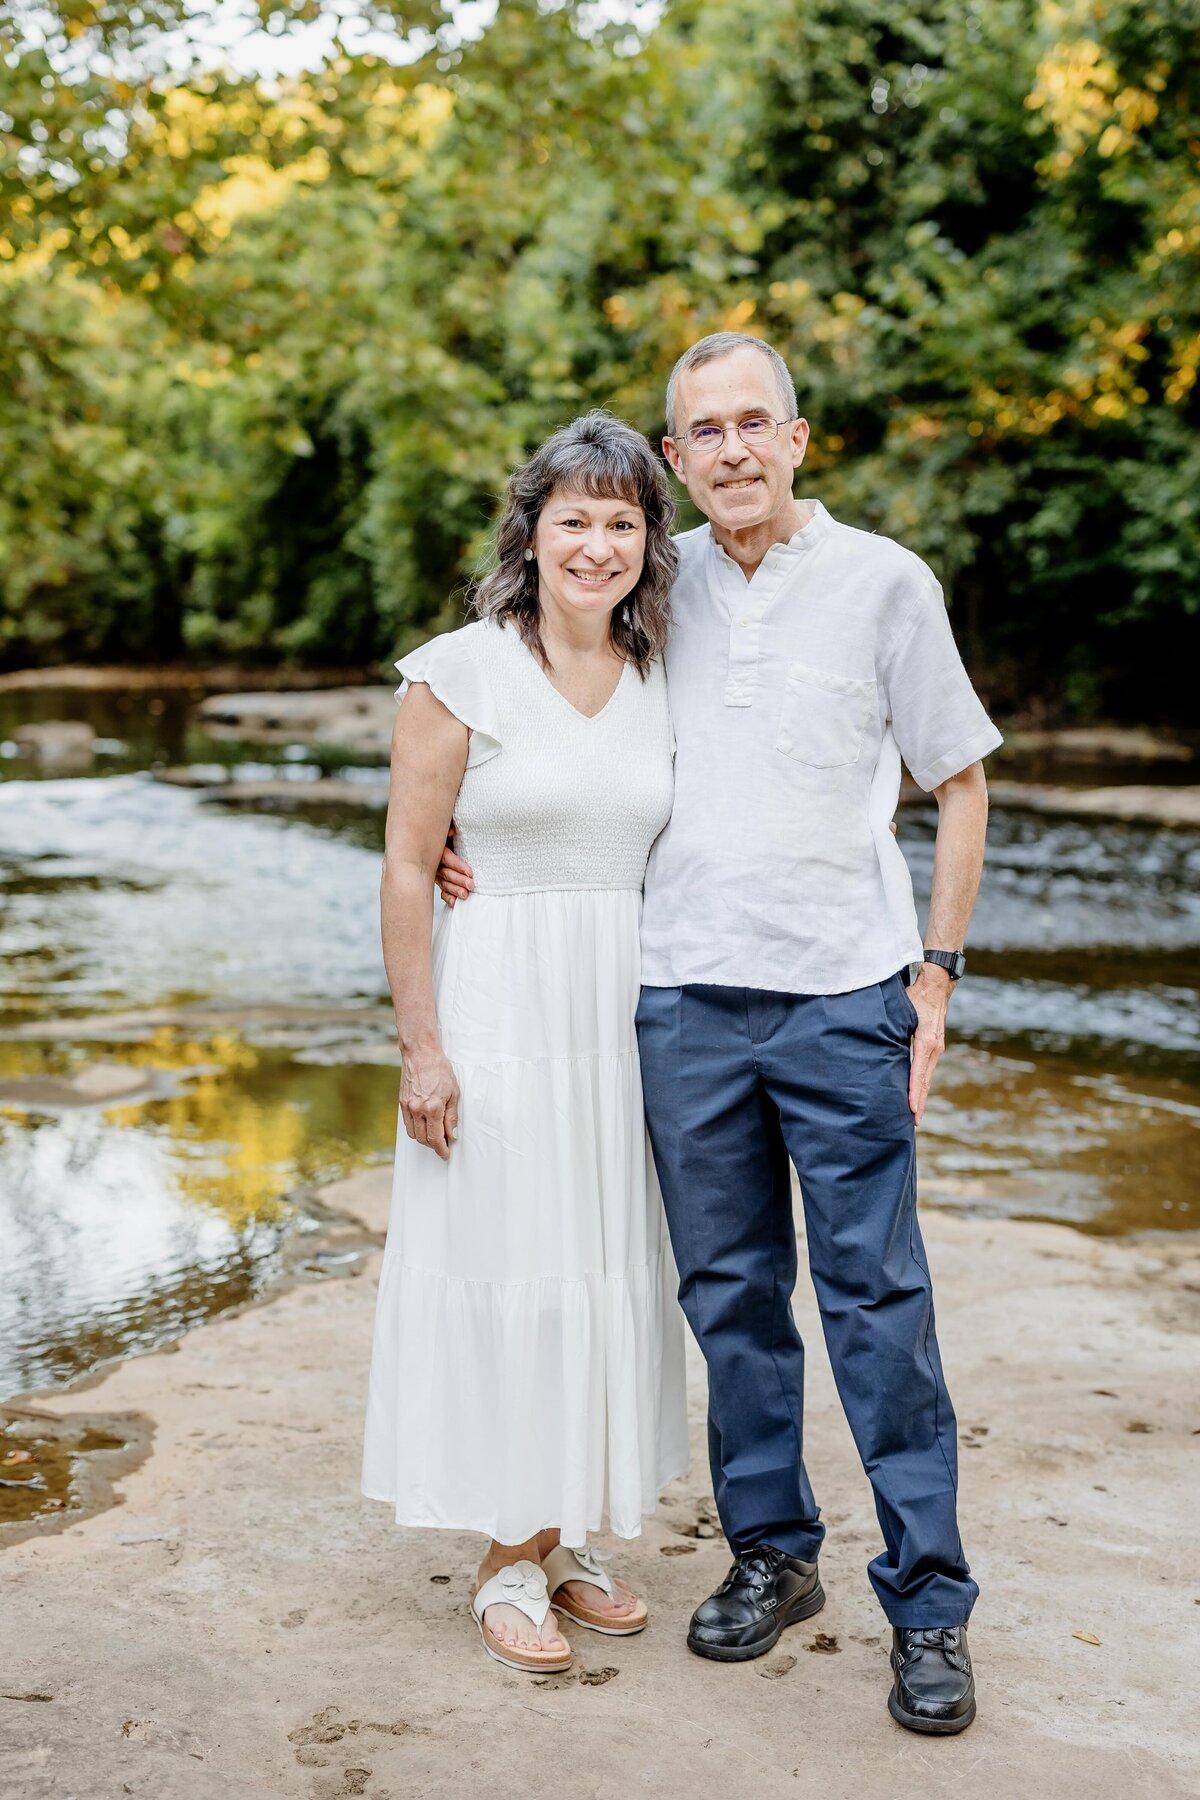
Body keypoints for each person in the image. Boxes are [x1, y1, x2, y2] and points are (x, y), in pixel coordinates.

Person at [437, 333, 1002, 1732]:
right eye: (707, 431)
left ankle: (927, 1607)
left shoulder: (887, 582)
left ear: (800, 439)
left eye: (759, 421)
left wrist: (934, 977)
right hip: (681, 1003)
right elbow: (542, 724)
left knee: (879, 1311)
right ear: (677, 460)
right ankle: (773, 1556)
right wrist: (465, 835)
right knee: (732, 1308)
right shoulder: (654, 593)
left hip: (844, 995)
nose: (735, 448)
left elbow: (964, 782)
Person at [360, 412, 688, 1676]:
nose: (597, 545)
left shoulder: (665, 671)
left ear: (648, 540)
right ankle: (504, 1555)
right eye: (575, 520)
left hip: (626, 1012)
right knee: (510, 1263)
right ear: (532, 531)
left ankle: (560, 1538)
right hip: (499, 1003)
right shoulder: (460, 671)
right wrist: (422, 1049)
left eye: (622, 521)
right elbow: (402, 865)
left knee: (599, 1267)